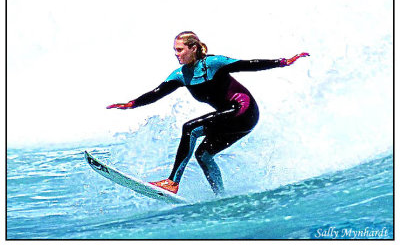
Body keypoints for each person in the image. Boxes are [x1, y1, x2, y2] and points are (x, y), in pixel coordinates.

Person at [107, 31, 309, 195]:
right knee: (203, 154)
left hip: (244, 111)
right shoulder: (181, 75)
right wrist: (131, 104)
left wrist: (284, 61)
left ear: (193, 48)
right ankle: (220, 196)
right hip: (233, 120)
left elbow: (248, 64)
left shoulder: (213, 63)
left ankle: (172, 182)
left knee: (190, 128)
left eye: (180, 50)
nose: (176, 54)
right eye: (174, 51)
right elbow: (156, 93)